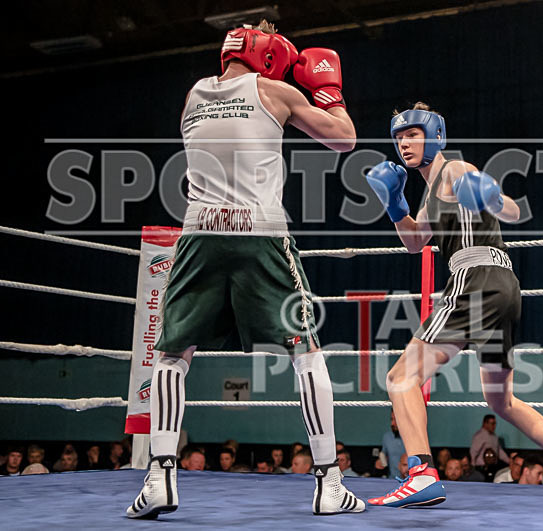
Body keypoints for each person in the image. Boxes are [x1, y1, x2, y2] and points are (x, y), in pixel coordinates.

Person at [126, 20, 364, 519]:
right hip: (260, 233)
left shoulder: (193, 96)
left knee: (172, 354)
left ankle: (159, 477)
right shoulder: (274, 91)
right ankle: (328, 482)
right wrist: (326, 89)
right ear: (268, 55)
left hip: (199, 233)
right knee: (306, 351)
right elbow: (344, 139)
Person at [366, 102, 543, 508]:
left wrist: (491, 196)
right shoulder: (428, 194)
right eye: (399, 137)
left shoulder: (456, 170)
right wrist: (394, 204)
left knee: (401, 378)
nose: (404, 143)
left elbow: (512, 211)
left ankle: (421, 473)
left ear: (434, 134)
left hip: (474, 280)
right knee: (502, 401)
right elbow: (414, 243)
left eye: (412, 134)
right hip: (503, 287)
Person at [374, 409, 406, 479]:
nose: (392, 423)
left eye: (396, 420)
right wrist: (380, 462)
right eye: (391, 419)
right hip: (392, 480)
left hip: (411, 481)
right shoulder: (387, 437)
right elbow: (384, 456)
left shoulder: (415, 437)